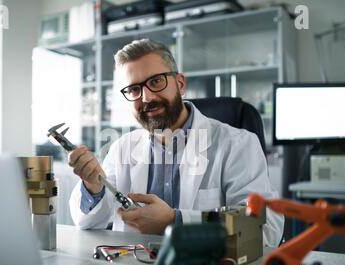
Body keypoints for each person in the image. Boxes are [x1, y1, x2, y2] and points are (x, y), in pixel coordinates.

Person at [68, 39, 284, 247]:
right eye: (134, 89)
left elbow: (265, 228)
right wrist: (93, 187)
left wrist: (176, 220)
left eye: (155, 81)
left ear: (180, 84)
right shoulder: (121, 148)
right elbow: (87, 222)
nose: (147, 97)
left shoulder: (238, 144)